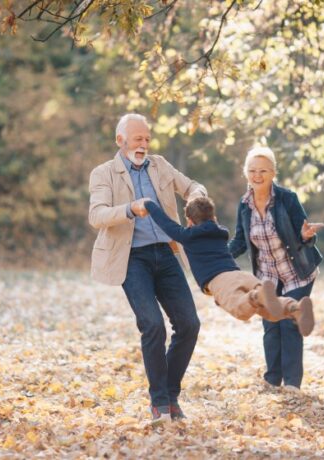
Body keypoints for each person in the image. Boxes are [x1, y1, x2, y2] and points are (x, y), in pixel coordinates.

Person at [88, 113, 207, 424]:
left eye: (146, 139)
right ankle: (159, 403)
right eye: (137, 139)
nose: (143, 144)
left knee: (189, 324)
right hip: (132, 258)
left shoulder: (160, 165)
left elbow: (193, 185)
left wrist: (196, 201)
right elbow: (97, 215)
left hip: (166, 255)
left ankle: (170, 393)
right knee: (152, 324)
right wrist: (130, 208)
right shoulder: (103, 174)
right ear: (120, 141)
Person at [142, 196, 315, 335]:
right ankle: (295, 308)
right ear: (214, 219)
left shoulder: (188, 235)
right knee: (270, 309)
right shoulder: (221, 232)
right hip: (240, 274)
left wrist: (149, 204)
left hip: (219, 281)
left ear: (190, 222)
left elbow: (166, 223)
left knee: (241, 309)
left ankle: (257, 295)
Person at [228, 147, 324, 390]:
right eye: (252, 171)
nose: (257, 175)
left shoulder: (287, 198)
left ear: (273, 173)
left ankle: (292, 383)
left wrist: (305, 235)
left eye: (263, 170)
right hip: (267, 276)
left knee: (288, 322)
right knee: (270, 324)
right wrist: (218, 257)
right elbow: (241, 241)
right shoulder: (244, 205)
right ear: (245, 174)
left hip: (296, 273)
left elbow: (305, 235)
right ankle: (272, 380)